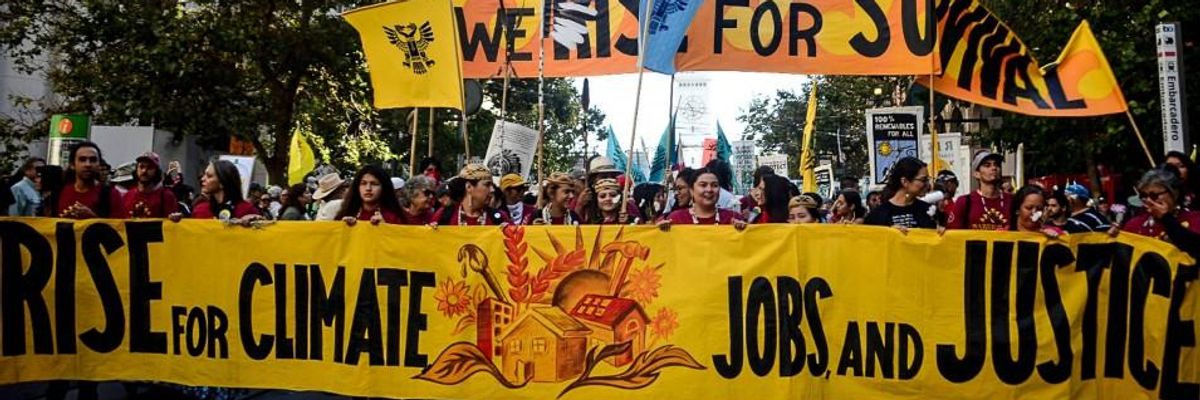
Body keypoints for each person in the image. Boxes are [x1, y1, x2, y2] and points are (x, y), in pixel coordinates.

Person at [1120, 169, 1200, 242]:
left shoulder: (1195, 219)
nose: (1148, 200)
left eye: (1154, 195)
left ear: (1175, 194)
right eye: (1143, 196)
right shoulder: (1134, 225)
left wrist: (1166, 218)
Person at [864, 157, 936, 231]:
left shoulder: (930, 211)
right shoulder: (877, 216)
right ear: (904, 181)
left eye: (928, 180)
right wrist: (888, 235)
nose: (928, 184)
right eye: (923, 180)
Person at [660, 168, 747, 228]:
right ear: (691, 190)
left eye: (714, 185)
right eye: (703, 185)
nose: (709, 190)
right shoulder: (676, 219)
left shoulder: (733, 218)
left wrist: (743, 232)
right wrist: (660, 232)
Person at [177, 159, 261, 222]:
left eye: (209, 176)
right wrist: (177, 223)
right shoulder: (200, 210)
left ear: (222, 182)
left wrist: (257, 221)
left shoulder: (247, 210)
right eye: (204, 175)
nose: (202, 179)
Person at [56, 141, 123, 219]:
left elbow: (118, 227)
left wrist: (92, 218)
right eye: (82, 159)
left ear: (99, 165)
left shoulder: (111, 195)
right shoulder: (59, 193)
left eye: (93, 160)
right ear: (72, 165)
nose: (88, 164)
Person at [948, 150, 1012, 230]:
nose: (994, 168)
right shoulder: (965, 202)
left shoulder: (1012, 200)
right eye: (987, 165)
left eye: (996, 165)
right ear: (976, 174)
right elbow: (951, 234)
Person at [433, 164, 508, 226]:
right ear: (469, 187)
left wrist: (510, 233)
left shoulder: (499, 218)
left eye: (492, 185)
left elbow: (516, 242)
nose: (492, 190)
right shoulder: (444, 216)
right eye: (487, 185)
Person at [336, 166, 403, 225]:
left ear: (384, 187)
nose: (368, 188)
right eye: (363, 183)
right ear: (357, 187)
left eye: (374, 184)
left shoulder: (393, 217)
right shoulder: (347, 213)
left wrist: (385, 228)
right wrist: (342, 227)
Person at [121, 152, 179, 218]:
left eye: (150, 167)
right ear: (136, 170)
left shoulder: (166, 196)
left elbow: (171, 225)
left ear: (156, 172)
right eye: (141, 167)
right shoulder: (127, 196)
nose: (144, 171)